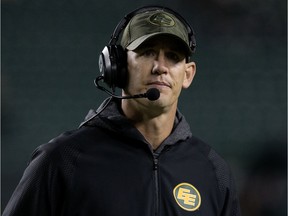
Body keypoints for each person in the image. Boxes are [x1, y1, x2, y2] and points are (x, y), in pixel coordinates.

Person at [3, 5, 241, 216]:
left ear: (188, 73)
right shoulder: (63, 161)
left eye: (173, 56)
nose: (160, 67)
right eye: (147, 52)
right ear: (116, 66)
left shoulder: (213, 171)